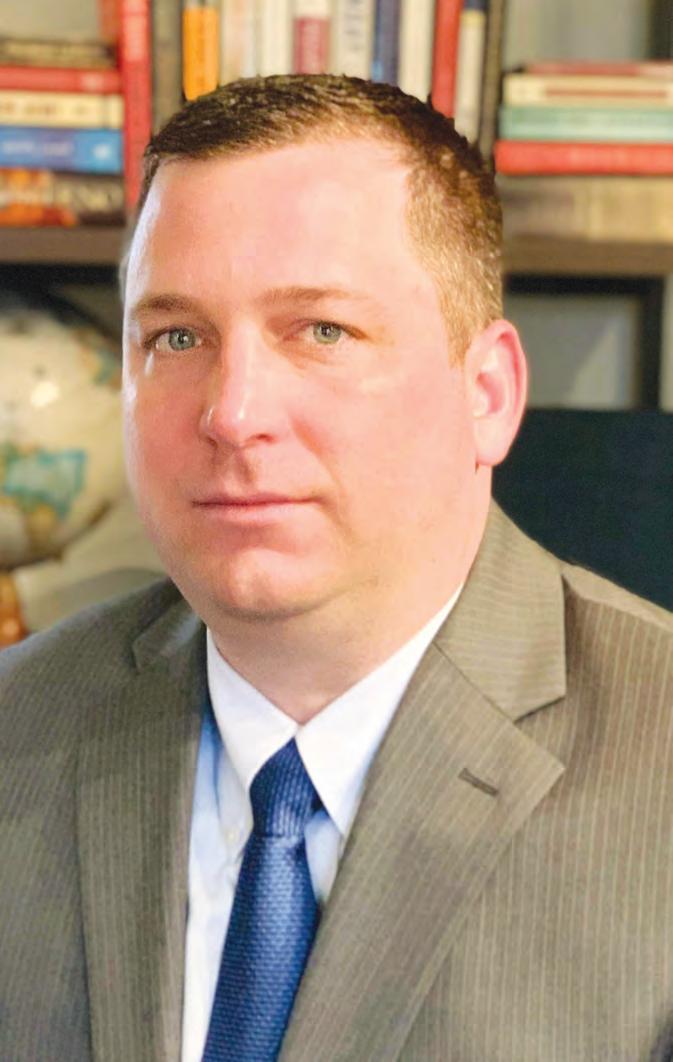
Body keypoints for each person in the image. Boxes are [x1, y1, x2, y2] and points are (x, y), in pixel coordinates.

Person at [1, 74, 673, 1062]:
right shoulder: (18, 729)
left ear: (487, 394)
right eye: (176, 337)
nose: (232, 414)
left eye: (321, 331)